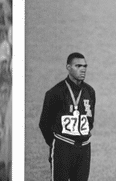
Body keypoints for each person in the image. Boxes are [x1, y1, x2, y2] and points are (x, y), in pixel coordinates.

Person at [39, 52, 96, 181]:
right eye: (78, 66)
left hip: (84, 149)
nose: (83, 69)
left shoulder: (90, 92)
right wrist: (55, 142)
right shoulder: (55, 93)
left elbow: (89, 121)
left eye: (85, 66)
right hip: (63, 147)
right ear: (68, 67)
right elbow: (44, 124)